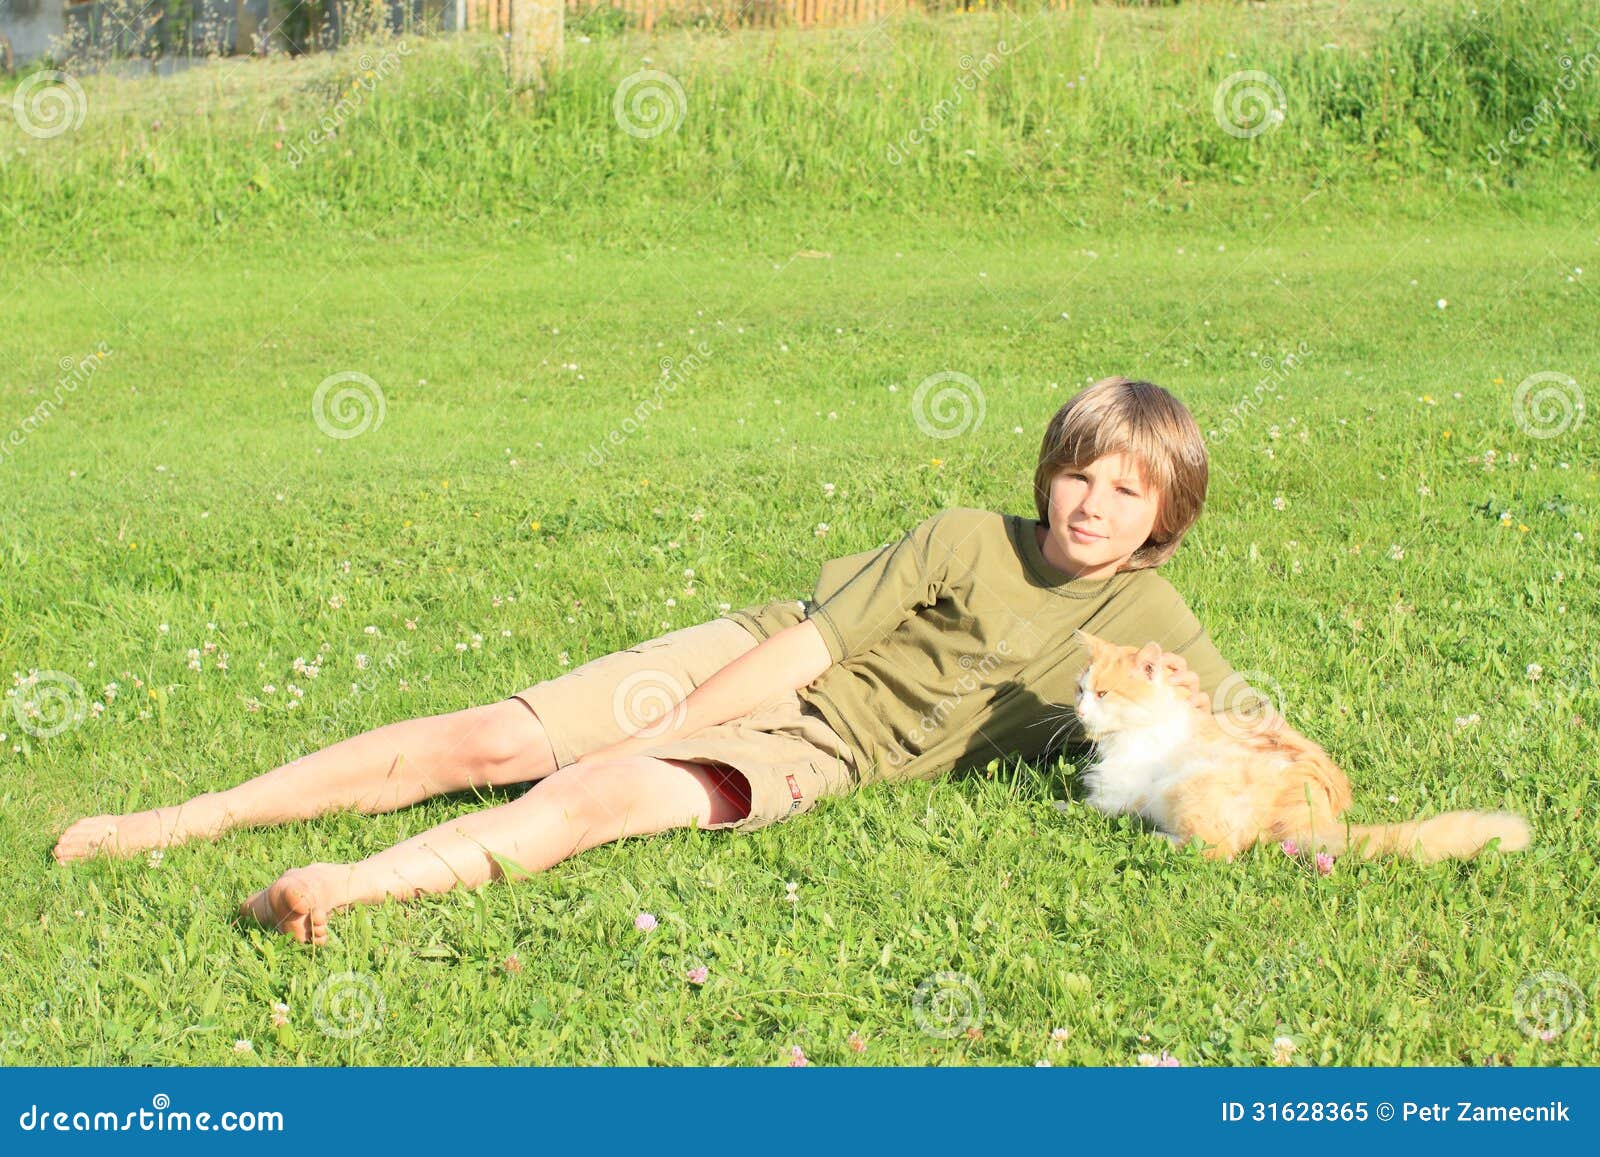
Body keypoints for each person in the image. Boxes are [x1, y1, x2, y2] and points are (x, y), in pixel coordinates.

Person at [53, 376, 1258, 944]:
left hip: (830, 750)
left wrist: (1308, 810)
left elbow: (1243, 732)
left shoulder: (1155, 622)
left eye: (1127, 490)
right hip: (752, 662)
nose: (1091, 504)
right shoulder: (963, 535)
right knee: (497, 740)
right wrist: (663, 717)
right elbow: (807, 641)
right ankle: (190, 815)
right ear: (1048, 467)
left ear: (1166, 516)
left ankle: (340, 885)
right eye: (1077, 472)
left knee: (597, 797)